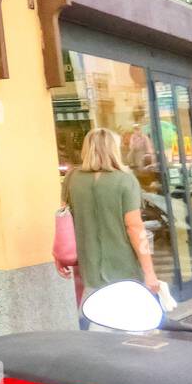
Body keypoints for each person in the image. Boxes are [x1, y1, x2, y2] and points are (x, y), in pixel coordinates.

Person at [59, 128, 159, 317]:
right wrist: (149, 271)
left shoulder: (72, 178)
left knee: (95, 327)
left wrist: (60, 254)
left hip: (89, 270)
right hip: (123, 268)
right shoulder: (125, 180)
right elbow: (135, 227)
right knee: (130, 329)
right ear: (113, 149)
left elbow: (63, 220)